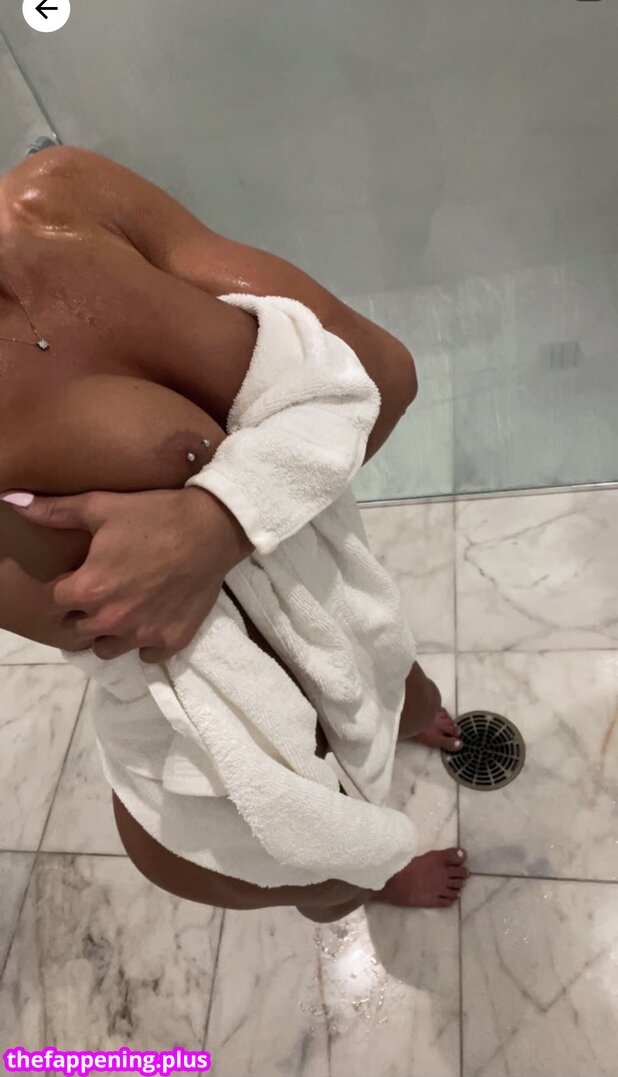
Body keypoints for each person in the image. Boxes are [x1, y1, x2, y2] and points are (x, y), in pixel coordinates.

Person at [0, 146, 468, 921]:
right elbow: (112, 619)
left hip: (329, 614)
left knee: (402, 689)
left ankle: (406, 721)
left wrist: (221, 519)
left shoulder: (65, 196)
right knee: (331, 872)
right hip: (220, 762)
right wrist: (278, 453)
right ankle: (377, 881)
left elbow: (382, 372)